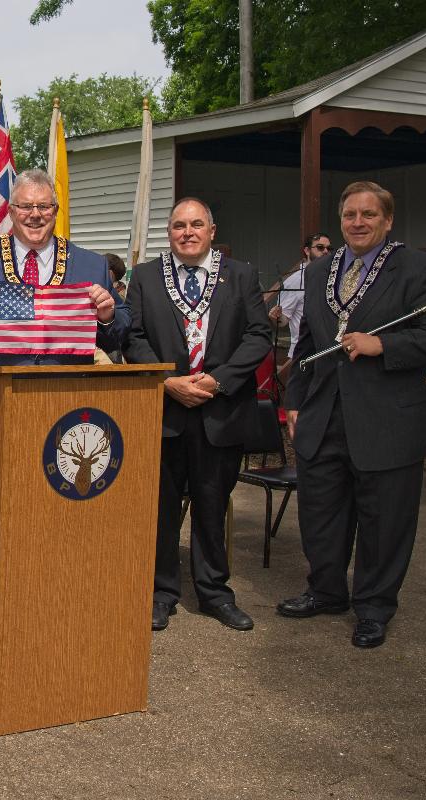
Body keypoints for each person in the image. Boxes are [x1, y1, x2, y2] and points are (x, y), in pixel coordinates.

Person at [279, 181, 426, 648]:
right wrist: (294, 401)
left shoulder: (417, 267)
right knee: (321, 514)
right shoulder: (321, 269)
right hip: (323, 414)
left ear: (388, 220)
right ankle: (326, 591)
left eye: (369, 215)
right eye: (350, 215)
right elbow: (307, 341)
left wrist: (382, 344)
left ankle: (374, 607)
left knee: (384, 521)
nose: (358, 223)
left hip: (387, 418)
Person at [124, 197, 271, 632]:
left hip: (220, 411)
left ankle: (214, 593)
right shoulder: (146, 277)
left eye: (195, 225)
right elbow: (132, 337)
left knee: (211, 505)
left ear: (211, 230)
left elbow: (259, 335)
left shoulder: (240, 275)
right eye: (178, 226)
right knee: (162, 509)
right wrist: (167, 381)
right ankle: (161, 593)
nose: (187, 232)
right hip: (165, 410)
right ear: (168, 232)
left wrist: (217, 380)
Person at [0, 169, 129, 371]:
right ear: (11, 211)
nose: (35, 214)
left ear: (55, 211)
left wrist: (107, 317)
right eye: (26, 206)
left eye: (44, 206)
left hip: (67, 394)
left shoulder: (91, 265)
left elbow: (123, 331)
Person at [268, 233, 332, 361]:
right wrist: (276, 316)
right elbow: (283, 320)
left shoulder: (333, 277)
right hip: (304, 352)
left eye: (329, 248)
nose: (326, 251)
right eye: (320, 247)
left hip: (329, 350)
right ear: (307, 250)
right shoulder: (295, 281)